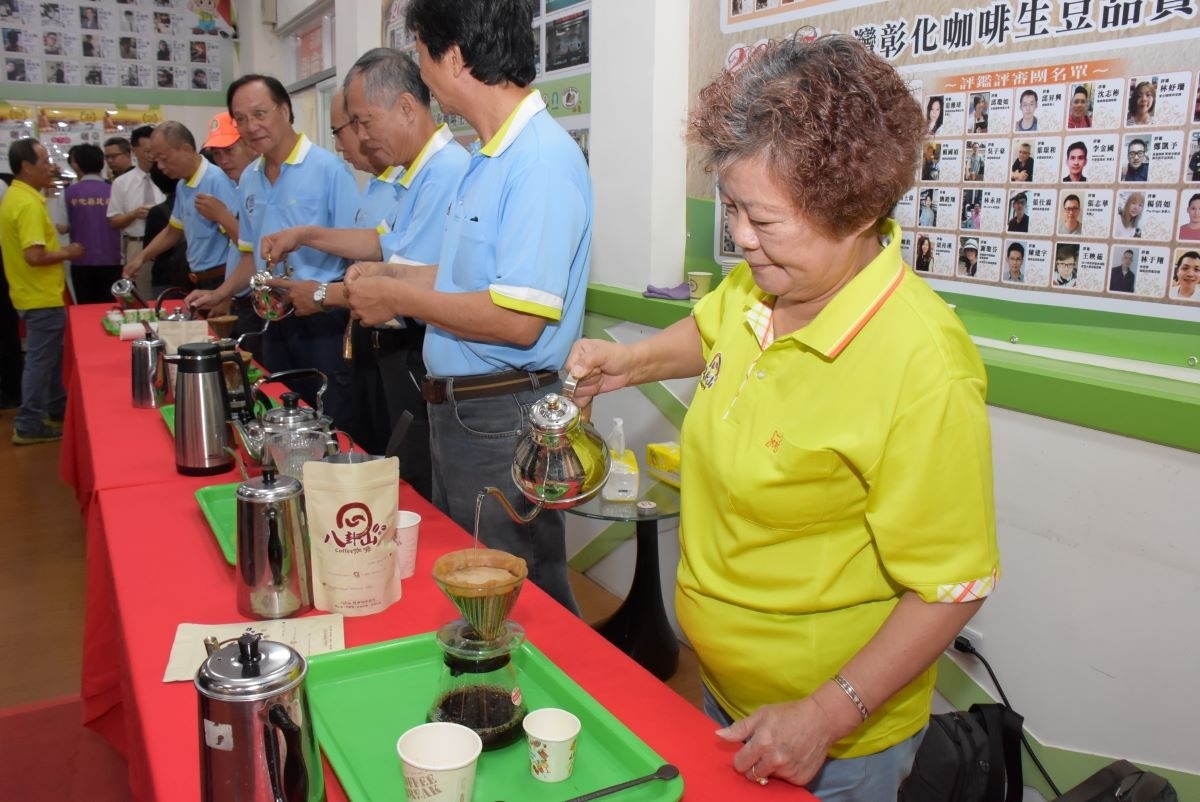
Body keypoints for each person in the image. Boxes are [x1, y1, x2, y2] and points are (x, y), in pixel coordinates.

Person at [563, 36, 996, 799]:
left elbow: (950, 588)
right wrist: (627, 362)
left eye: (761, 218)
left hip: (834, 739)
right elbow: (710, 328)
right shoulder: (767, 283)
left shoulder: (923, 364)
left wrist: (826, 716)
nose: (739, 238)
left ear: (858, 211)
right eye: (730, 208)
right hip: (725, 693)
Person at [343, 0, 594, 613]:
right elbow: (467, 278)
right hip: (465, 411)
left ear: (452, 56)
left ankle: (546, 708)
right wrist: (391, 272)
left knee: (519, 588)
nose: (420, 72)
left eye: (422, 54)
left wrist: (399, 294)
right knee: (477, 581)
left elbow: (518, 319)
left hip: (503, 412)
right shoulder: (487, 156)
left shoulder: (536, 160)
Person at [260, 49, 469, 482]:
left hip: (420, 350)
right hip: (404, 353)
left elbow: (404, 285)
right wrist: (305, 235)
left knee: (419, 482)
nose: (360, 137)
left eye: (363, 122)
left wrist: (321, 294)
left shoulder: (444, 172)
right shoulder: (416, 174)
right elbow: (384, 246)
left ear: (407, 107)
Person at [184, 74, 361, 433]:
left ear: (285, 110)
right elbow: (249, 254)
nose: (251, 127)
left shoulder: (329, 170)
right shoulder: (250, 177)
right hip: (273, 317)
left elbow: (358, 250)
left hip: (323, 317)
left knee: (331, 416)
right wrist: (220, 293)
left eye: (260, 113)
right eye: (241, 119)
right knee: (282, 411)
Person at [0, 139, 85, 444]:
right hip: (40, 295)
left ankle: (55, 409)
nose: (50, 166)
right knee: (39, 362)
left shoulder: (16, 197)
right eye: (45, 160)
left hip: (31, 293)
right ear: (26, 166)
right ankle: (28, 423)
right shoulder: (27, 204)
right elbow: (34, 256)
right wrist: (69, 252)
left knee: (48, 359)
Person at [122, 121, 237, 293]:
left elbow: (238, 237)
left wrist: (227, 291)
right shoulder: (183, 185)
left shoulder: (217, 180)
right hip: (199, 279)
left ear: (185, 150)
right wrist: (141, 258)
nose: (160, 167)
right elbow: (173, 231)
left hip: (223, 279)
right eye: (156, 161)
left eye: (164, 159)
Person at [194, 111, 260, 335]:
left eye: (229, 151)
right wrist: (226, 294)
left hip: (259, 300)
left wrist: (221, 215)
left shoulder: (263, 185)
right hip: (240, 295)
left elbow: (257, 249)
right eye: (216, 153)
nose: (222, 161)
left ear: (250, 144)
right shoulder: (241, 185)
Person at [107, 125, 165, 297]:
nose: (152, 155)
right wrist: (134, 214)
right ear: (134, 150)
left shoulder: (168, 176)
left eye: (156, 150)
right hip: (137, 244)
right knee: (142, 294)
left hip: (167, 245)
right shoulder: (122, 182)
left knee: (166, 291)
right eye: (148, 150)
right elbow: (114, 221)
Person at [63, 144, 122, 303]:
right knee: (112, 308)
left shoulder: (69, 192)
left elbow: (62, 227)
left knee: (85, 309)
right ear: (102, 163)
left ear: (76, 164)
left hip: (81, 260)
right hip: (113, 259)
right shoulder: (114, 189)